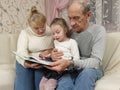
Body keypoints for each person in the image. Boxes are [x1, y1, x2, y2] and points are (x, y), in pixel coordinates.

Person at [45, 0, 106, 90]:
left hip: (90, 69)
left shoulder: (98, 31)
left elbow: (96, 62)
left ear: (88, 15)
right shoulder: (69, 32)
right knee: (64, 84)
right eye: (70, 18)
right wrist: (53, 55)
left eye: (76, 18)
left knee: (87, 73)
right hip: (71, 69)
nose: (72, 23)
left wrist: (71, 63)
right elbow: (60, 48)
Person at [14, 6, 54, 90]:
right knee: (25, 87)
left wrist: (48, 52)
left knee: (39, 84)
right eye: (36, 28)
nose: (40, 30)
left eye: (42, 26)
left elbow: (57, 47)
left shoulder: (51, 31)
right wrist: (27, 64)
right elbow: (21, 52)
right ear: (30, 26)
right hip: (27, 62)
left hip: (43, 61)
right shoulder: (25, 33)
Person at [39, 18, 80, 90]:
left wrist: (68, 65)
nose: (55, 36)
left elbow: (77, 59)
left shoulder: (72, 42)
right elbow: (54, 53)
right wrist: (47, 55)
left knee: (49, 87)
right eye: (53, 34)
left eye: (58, 32)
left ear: (65, 30)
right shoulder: (55, 42)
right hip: (52, 67)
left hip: (64, 69)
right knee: (41, 85)